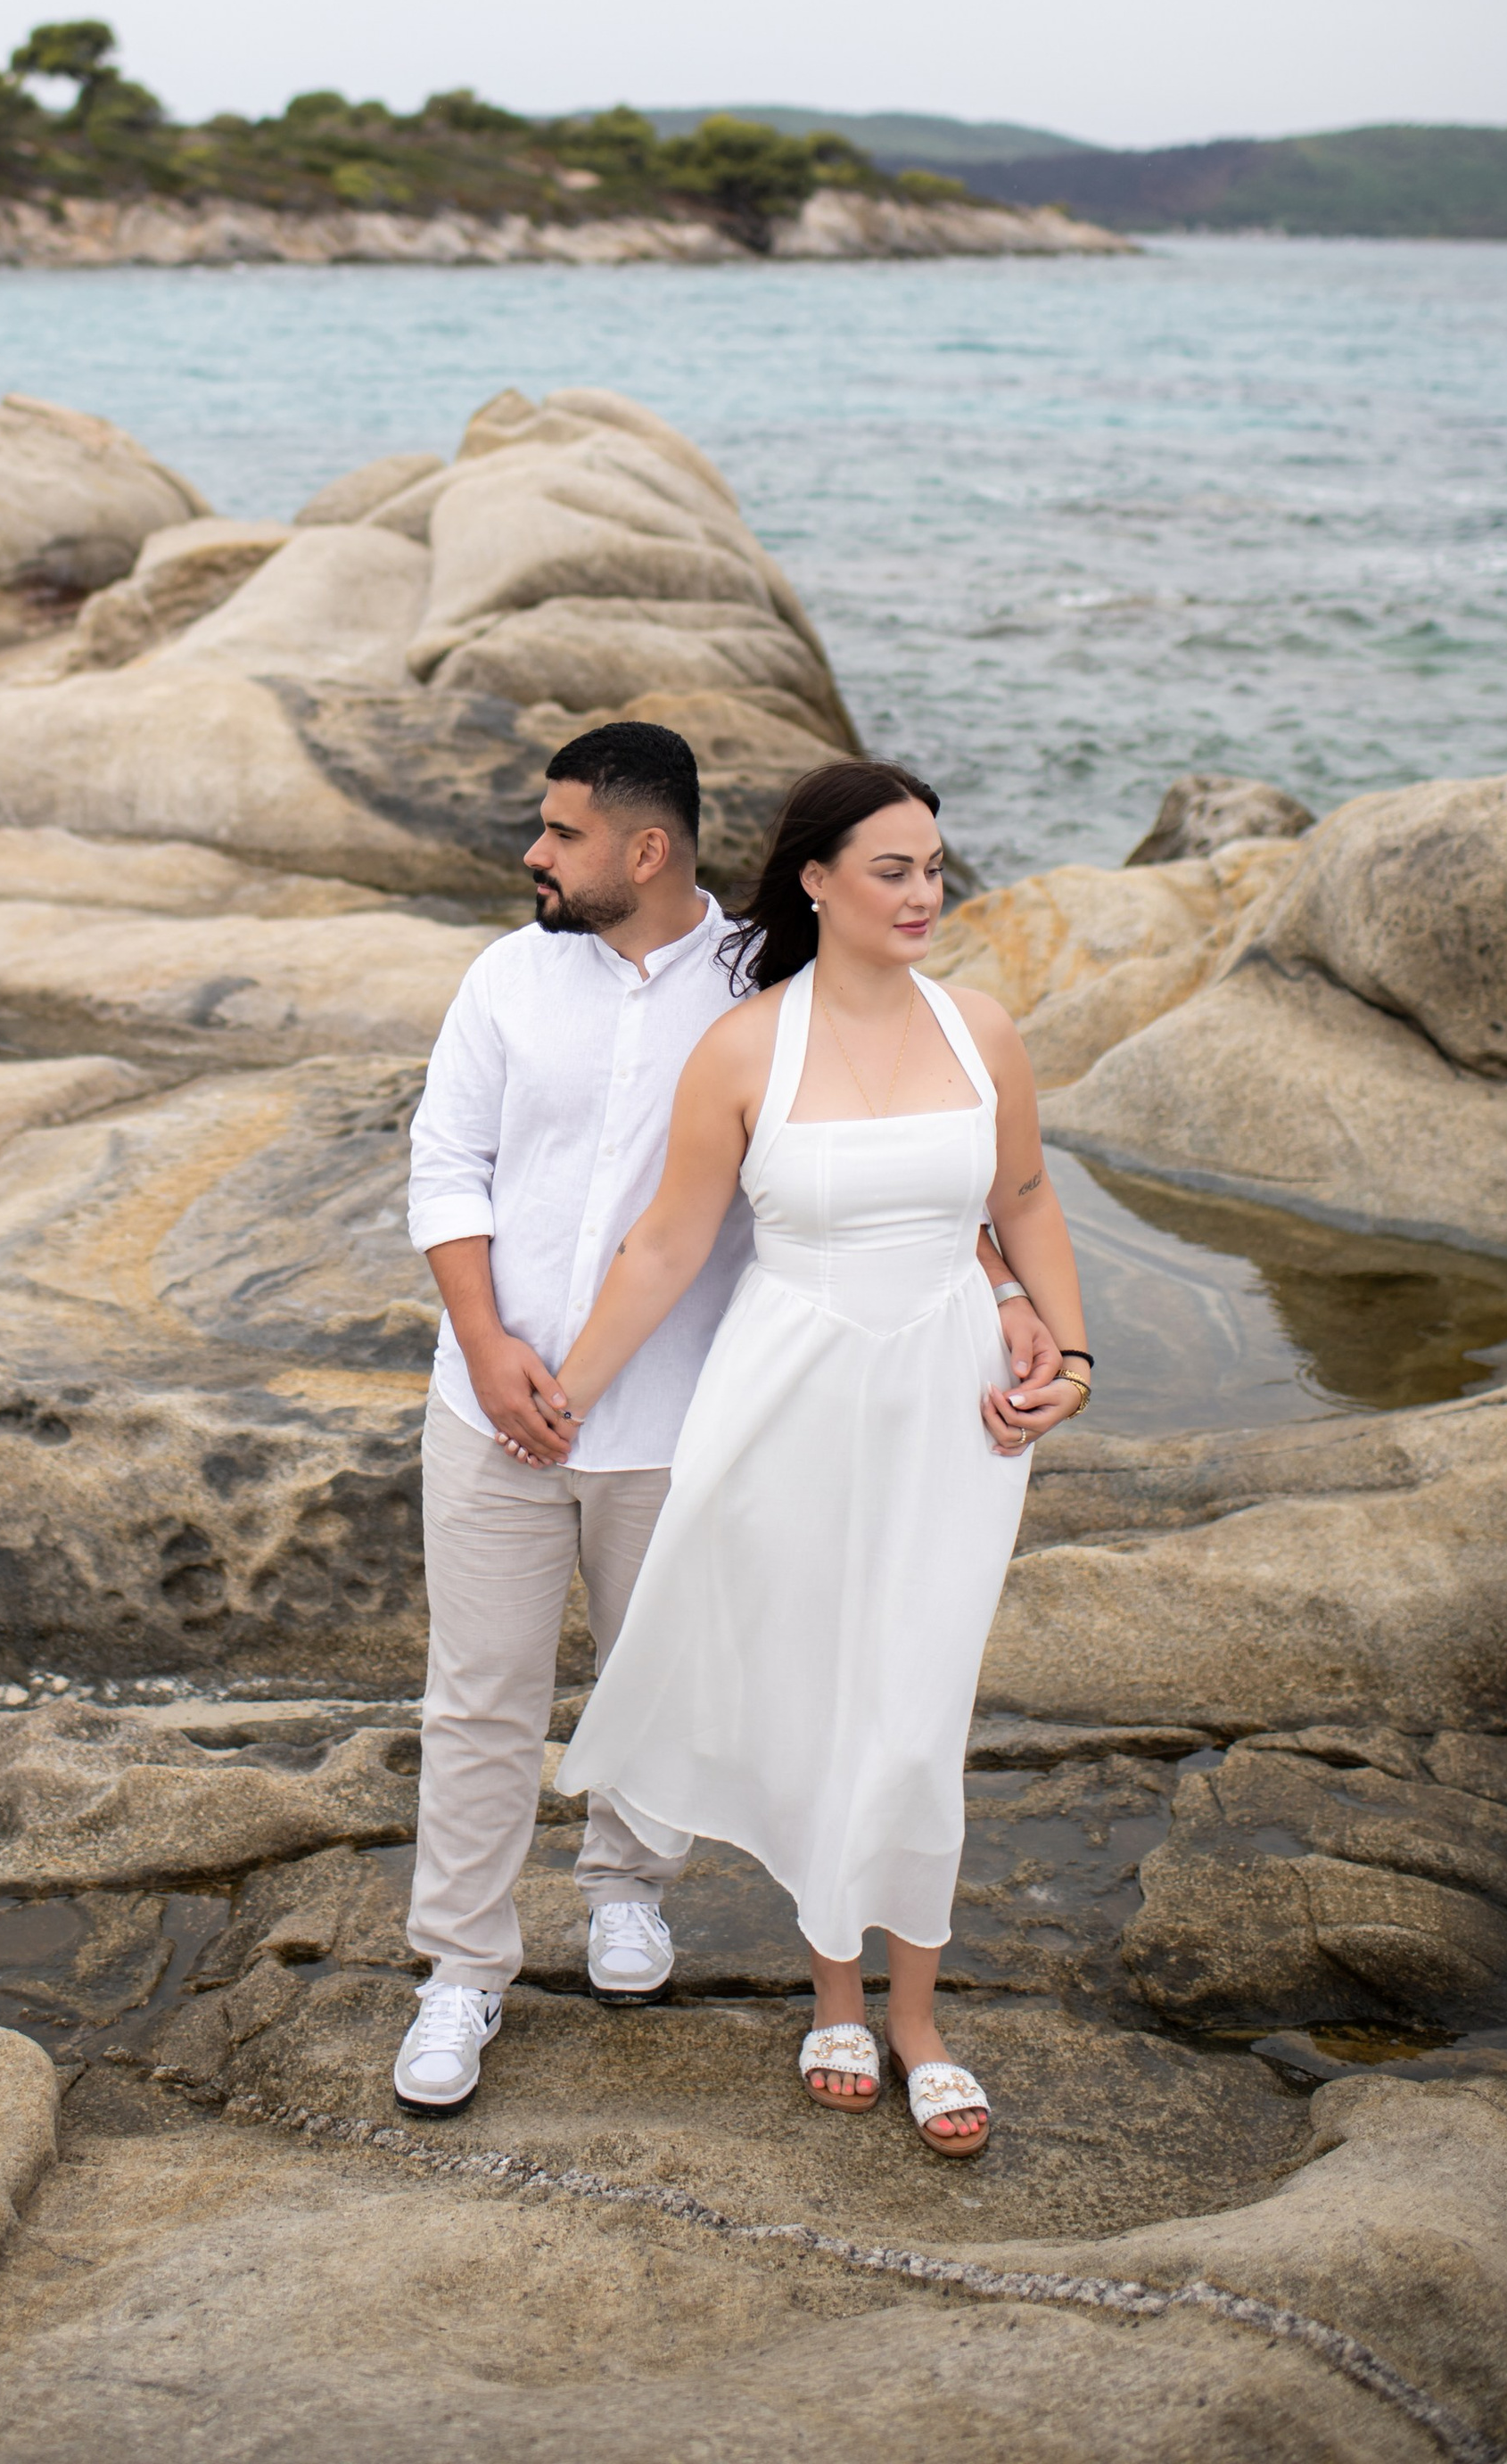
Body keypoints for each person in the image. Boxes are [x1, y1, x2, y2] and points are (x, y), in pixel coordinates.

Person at [393, 724, 1069, 2120]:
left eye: (562, 832)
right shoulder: (508, 977)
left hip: (685, 1408)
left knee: (673, 1663)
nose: (534, 853)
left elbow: (906, 1164)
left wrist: (1007, 1290)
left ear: (647, 849)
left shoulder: (760, 978)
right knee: (479, 1695)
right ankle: (461, 1970)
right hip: (494, 1397)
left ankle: (628, 1892)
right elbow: (446, 1163)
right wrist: (492, 1347)